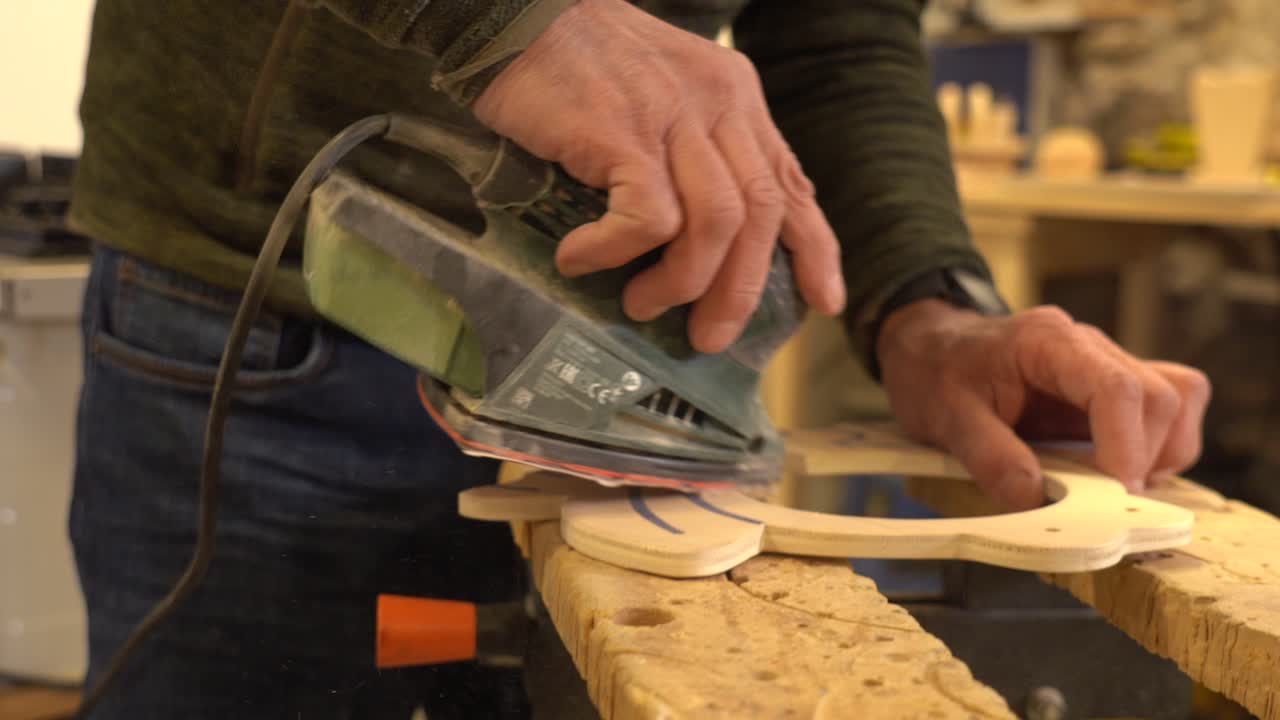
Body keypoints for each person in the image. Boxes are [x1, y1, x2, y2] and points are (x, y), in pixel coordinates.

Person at [67, 0, 1211, 716]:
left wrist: (925, 305)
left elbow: (839, 29)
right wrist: (508, 20)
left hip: (581, 311)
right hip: (275, 295)